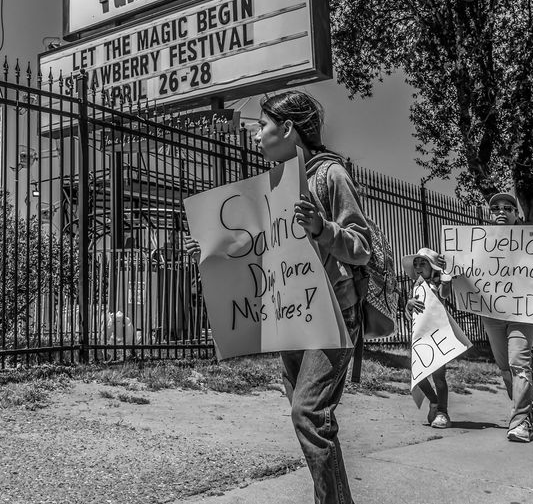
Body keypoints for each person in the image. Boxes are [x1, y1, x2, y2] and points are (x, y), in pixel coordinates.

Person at [188, 90, 370, 504]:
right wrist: (209, 251)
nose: (255, 136)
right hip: (292, 316)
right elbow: (256, 251)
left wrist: (324, 229)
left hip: (333, 313)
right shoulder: (271, 186)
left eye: (262, 126)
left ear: (287, 129)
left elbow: (362, 246)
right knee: (312, 418)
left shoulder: (329, 176)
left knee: (307, 414)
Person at [481, 192, 533, 442]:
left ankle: (520, 422)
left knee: (519, 363)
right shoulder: (477, 243)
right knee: (506, 368)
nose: (501, 211)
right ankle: (523, 409)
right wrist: (451, 266)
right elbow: (466, 277)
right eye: (495, 208)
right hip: (492, 313)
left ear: (517, 214)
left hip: (523, 312)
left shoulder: (532, 241)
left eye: (508, 208)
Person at [401, 247, 455, 428]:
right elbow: (410, 311)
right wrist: (409, 304)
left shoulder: (439, 283)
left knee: (439, 378)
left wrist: (445, 275)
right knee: (417, 374)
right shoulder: (415, 285)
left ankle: (443, 412)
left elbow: (445, 293)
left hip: (437, 337)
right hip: (420, 337)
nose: (418, 266)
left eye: (422, 262)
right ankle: (433, 401)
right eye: (415, 263)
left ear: (432, 266)